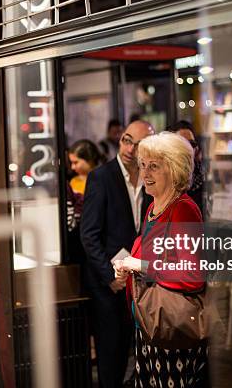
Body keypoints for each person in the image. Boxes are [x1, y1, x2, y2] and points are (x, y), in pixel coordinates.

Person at [114, 132, 210, 388]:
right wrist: (125, 267)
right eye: (143, 165)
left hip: (172, 331)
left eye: (154, 167)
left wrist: (140, 266)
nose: (145, 173)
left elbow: (192, 275)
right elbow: (144, 256)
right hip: (151, 326)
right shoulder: (154, 206)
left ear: (175, 169)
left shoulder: (183, 209)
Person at [81, 120, 155, 388]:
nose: (130, 149)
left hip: (141, 283)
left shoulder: (152, 178)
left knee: (140, 357)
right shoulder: (101, 177)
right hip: (110, 286)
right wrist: (110, 277)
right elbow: (88, 235)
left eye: (138, 144)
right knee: (111, 359)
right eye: (126, 140)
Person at [167, 121, 206, 216]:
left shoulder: (204, 179)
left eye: (192, 144)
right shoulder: (161, 180)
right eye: (182, 145)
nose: (189, 150)